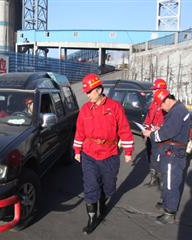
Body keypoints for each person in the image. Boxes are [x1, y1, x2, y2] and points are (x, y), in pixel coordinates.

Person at [73, 73, 134, 234]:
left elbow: (124, 130)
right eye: (86, 92)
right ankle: (92, 218)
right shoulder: (85, 109)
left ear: (99, 90)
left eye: (90, 91)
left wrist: (128, 151)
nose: (87, 95)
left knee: (108, 187)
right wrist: (77, 150)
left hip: (110, 154)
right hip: (89, 153)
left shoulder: (114, 107)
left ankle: (103, 200)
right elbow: (79, 131)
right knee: (90, 185)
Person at [143, 89, 190, 224]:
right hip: (171, 150)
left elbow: (167, 132)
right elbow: (169, 129)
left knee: (170, 182)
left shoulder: (177, 111)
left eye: (161, 105)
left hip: (174, 152)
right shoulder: (177, 109)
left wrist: (151, 134)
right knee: (166, 178)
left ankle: (169, 212)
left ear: (167, 100)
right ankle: (166, 202)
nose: (161, 109)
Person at [143, 78, 167, 187]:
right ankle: (153, 179)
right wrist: (146, 127)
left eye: (155, 89)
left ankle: (163, 183)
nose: (153, 91)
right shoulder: (153, 102)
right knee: (151, 156)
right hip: (150, 134)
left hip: (160, 136)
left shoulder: (167, 103)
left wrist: (160, 127)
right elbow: (149, 116)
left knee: (160, 158)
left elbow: (169, 121)